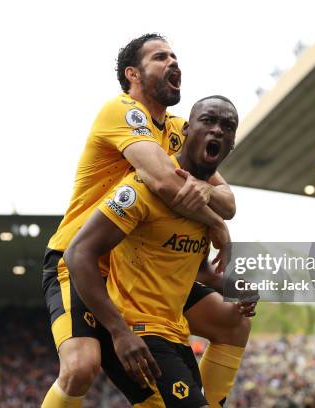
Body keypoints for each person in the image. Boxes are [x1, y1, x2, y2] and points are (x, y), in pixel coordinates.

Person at [41, 34, 252, 408]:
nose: (173, 62)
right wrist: (215, 223)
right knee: (80, 367)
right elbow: (163, 181)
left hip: (135, 260)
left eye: (175, 56)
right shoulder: (122, 111)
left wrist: (213, 206)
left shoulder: (176, 128)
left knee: (233, 322)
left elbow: (228, 200)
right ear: (133, 74)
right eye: (160, 57)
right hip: (81, 256)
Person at [67, 95, 243, 407]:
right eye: (208, 121)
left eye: (227, 127)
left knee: (237, 323)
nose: (217, 130)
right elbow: (78, 253)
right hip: (137, 336)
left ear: (232, 143)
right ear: (186, 130)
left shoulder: (204, 202)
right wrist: (119, 333)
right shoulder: (142, 189)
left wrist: (234, 288)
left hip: (175, 335)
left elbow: (196, 269)